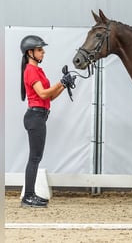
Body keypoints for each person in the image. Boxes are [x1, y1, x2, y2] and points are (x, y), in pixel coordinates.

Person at [20, 35, 74, 208]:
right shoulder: (30, 70)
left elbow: (49, 97)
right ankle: (28, 197)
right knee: (34, 158)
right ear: (30, 52)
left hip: (40, 116)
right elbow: (43, 94)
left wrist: (63, 85)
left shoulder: (38, 71)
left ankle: (30, 195)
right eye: (40, 49)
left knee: (36, 157)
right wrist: (59, 82)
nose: (43, 52)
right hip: (35, 118)